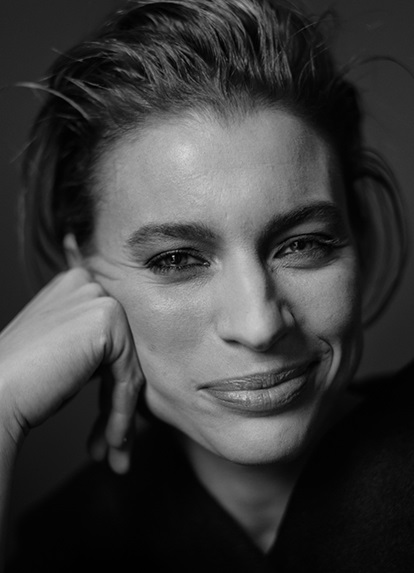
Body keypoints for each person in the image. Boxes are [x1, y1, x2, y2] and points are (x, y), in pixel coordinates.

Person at [2, 0, 413, 570]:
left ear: (358, 239)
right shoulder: (61, 547)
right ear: (83, 279)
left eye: (301, 245)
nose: (259, 326)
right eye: (176, 259)